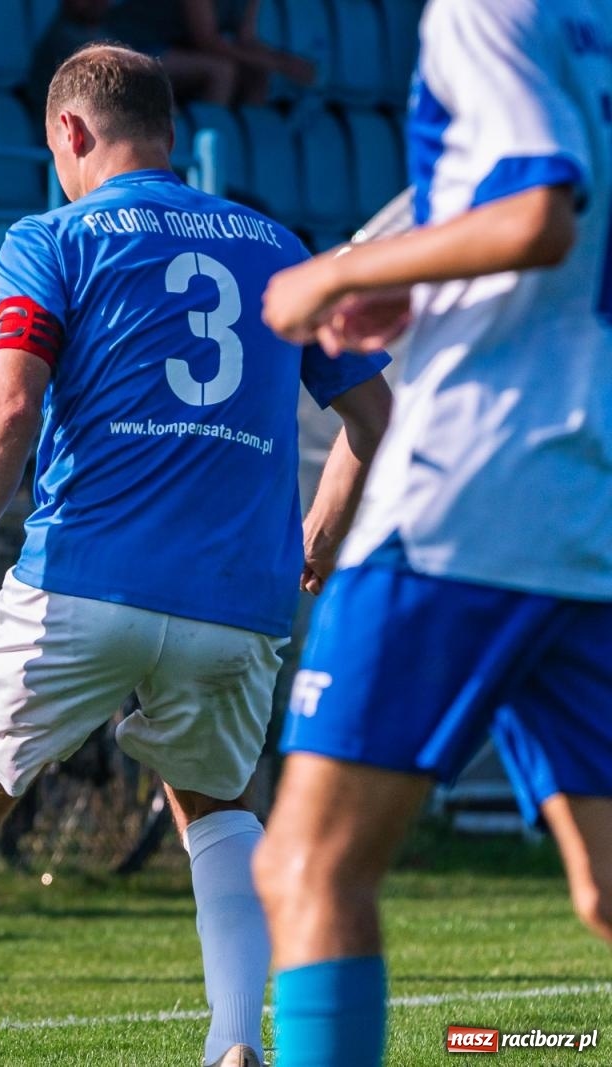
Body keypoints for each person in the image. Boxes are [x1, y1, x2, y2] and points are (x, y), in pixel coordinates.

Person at [0, 42, 391, 1067]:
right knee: (218, 808)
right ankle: (234, 1041)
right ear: (170, 134)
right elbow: (374, 417)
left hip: (85, 580)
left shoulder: (52, 238)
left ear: (69, 130)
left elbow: (8, 404)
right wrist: (316, 539)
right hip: (237, 599)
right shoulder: (280, 246)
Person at [254, 1, 612, 1063]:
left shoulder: (484, 8)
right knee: (604, 886)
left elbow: (538, 215)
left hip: (469, 493)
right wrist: (423, 288)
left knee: (308, 866)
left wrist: (339, 271)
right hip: (585, 499)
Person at [106, 0, 314, 105]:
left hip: (177, 48)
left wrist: (287, 62)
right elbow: (207, 41)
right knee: (222, 72)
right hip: (133, 45)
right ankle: (207, 144)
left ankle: (250, 153)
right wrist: (280, 64)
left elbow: (247, 40)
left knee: (257, 74)